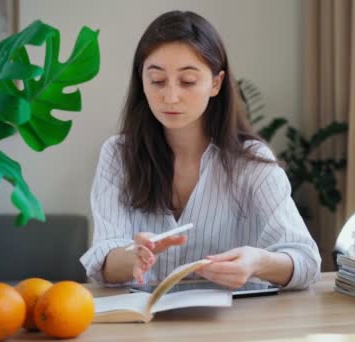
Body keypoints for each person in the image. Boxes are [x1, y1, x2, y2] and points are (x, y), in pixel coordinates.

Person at [79, 10, 321, 290]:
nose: (170, 96)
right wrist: (135, 257)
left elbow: (307, 262)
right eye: (157, 81)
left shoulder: (252, 162)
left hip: (234, 328)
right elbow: (103, 261)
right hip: (149, 329)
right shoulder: (118, 155)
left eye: (188, 81)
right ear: (141, 81)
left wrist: (258, 262)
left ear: (216, 83)